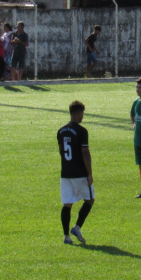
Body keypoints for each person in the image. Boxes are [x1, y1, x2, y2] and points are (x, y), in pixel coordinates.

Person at [57, 100, 94, 245]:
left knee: (67, 204)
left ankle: (66, 236)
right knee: (89, 200)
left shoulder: (61, 130)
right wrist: (89, 173)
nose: (82, 117)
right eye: (82, 114)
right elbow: (85, 153)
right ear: (78, 114)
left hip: (65, 172)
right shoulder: (82, 131)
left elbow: (61, 151)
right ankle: (77, 227)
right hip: (79, 172)